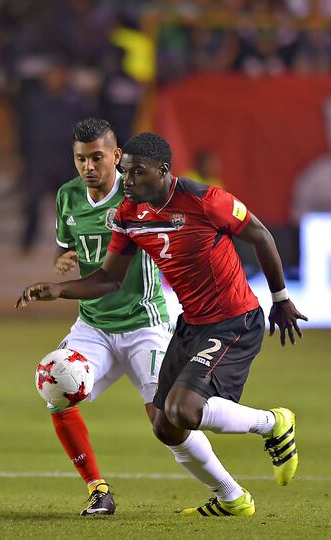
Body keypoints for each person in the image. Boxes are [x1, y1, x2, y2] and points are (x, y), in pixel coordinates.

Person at [16, 132, 308, 518]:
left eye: (136, 173)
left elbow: (260, 234)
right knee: (166, 427)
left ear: (163, 171)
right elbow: (109, 279)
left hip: (234, 320)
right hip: (192, 325)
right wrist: (59, 289)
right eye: (125, 173)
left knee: (183, 410)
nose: (128, 182)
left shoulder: (205, 200)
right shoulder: (128, 214)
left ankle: (273, 423)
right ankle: (230, 499)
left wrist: (281, 298)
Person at [22, 121, 172, 516]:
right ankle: (97, 489)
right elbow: (64, 249)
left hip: (144, 323)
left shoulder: (137, 194)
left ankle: (253, 442)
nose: (88, 166)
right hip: (93, 326)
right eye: (80, 158)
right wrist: (62, 261)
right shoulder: (67, 197)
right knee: (54, 385)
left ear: (116, 156)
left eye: (96, 157)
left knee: (169, 423)